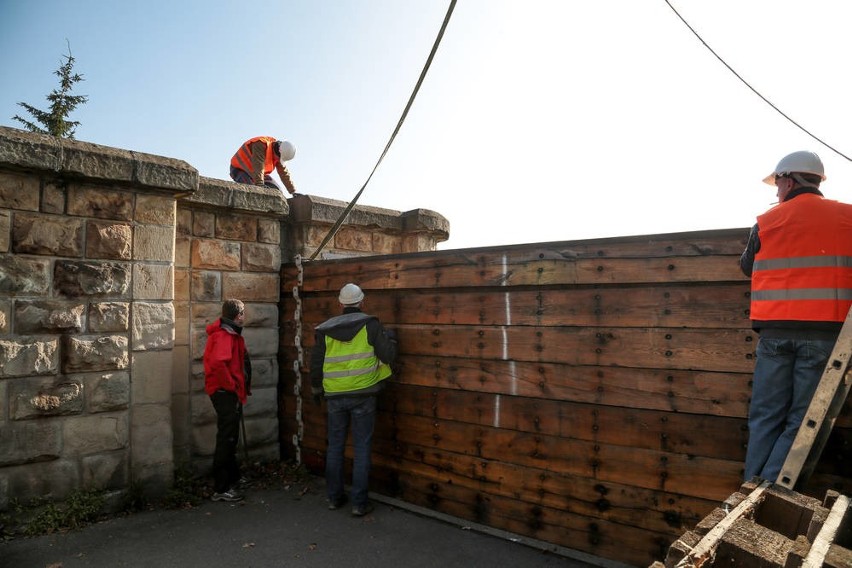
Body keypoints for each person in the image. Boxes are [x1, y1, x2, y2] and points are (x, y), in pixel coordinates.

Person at [740, 150, 852, 482]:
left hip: (774, 333)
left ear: (789, 181)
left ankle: (752, 488)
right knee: (802, 421)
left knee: (764, 417)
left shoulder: (766, 222)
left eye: (777, 184)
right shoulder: (848, 218)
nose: (776, 192)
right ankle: (771, 492)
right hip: (824, 335)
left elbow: (748, 266)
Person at [310, 283, 398, 517]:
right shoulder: (370, 325)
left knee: (335, 447)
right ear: (362, 302)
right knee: (362, 448)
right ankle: (359, 504)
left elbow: (316, 363)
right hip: (364, 394)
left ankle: (334, 498)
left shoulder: (324, 330)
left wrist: (316, 389)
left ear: (340, 304)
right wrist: (392, 340)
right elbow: (388, 355)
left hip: (335, 395)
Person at [203, 298, 252, 502]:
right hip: (225, 393)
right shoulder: (225, 335)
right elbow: (218, 363)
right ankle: (221, 488)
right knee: (227, 438)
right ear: (238, 315)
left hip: (227, 392)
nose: (244, 317)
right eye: (243, 314)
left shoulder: (228, 333)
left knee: (230, 437)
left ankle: (232, 478)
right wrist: (232, 386)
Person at [229, 136, 297, 194]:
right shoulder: (261, 144)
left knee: (277, 190)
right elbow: (258, 165)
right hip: (239, 169)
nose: (279, 160)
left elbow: (284, 173)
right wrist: (259, 184)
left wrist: (293, 191)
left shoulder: (279, 154)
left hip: (256, 173)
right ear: (278, 151)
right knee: (252, 191)